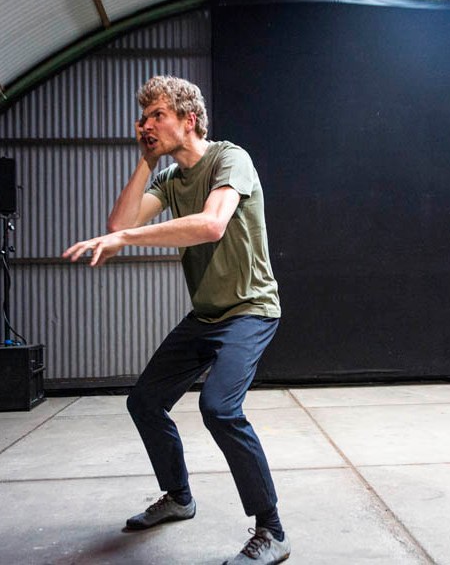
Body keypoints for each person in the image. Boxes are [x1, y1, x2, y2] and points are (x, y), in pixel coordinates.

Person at [62, 75, 290, 565]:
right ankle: (179, 498)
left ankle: (272, 530)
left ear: (188, 120)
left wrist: (126, 240)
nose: (144, 125)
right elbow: (119, 225)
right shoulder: (168, 178)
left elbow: (211, 224)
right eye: (142, 117)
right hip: (206, 315)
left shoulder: (230, 159)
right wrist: (146, 161)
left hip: (250, 309)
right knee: (144, 402)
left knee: (219, 408)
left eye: (157, 115)